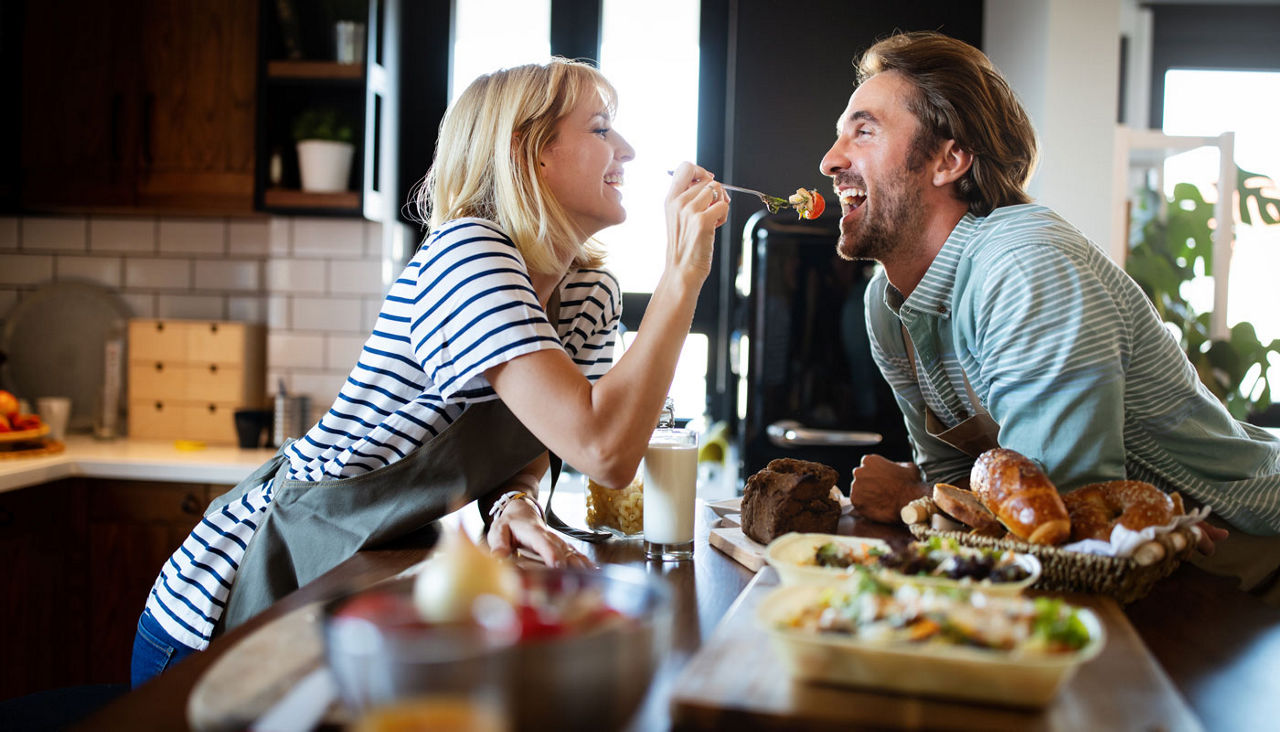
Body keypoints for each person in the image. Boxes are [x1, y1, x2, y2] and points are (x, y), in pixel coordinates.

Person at [130, 58, 729, 687]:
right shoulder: (467, 253)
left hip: (358, 575)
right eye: (602, 129)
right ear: (529, 150)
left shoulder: (589, 292)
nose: (627, 150)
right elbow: (604, 447)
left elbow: (543, 439)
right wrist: (681, 273)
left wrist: (515, 504)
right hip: (226, 600)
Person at [818, 31, 1280, 603]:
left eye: (863, 131)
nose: (830, 160)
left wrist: (911, 489)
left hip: (1251, 558)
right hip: (1144, 579)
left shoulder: (1024, 264)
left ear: (948, 158)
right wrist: (930, 490)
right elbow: (956, 490)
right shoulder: (886, 307)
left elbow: (1059, 525)